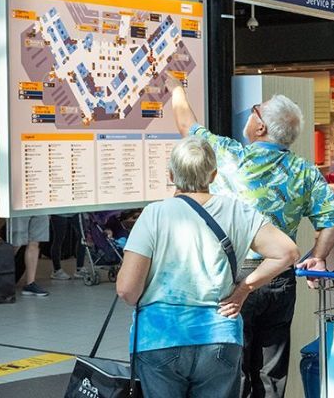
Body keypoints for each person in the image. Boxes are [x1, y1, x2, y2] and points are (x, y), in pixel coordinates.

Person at [169, 76, 334, 398]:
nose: (250, 115)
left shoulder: (229, 156)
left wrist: (175, 87)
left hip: (234, 277)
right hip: (279, 278)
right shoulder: (304, 171)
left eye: (255, 111)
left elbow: (186, 125)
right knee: (271, 371)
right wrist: (317, 255)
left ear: (261, 128)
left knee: (232, 367)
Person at [116, 137, 299, 398]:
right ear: (213, 174)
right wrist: (243, 289)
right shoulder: (238, 211)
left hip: (160, 339)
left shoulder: (153, 215)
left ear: (171, 174)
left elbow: (127, 290)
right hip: (219, 337)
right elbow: (287, 252)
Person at [0, 164, 50, 297]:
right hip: (19, 204)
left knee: (35, 243)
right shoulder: (12, 150)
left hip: (39, 202)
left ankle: (30, 283)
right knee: (16, 243)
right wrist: (8, 198)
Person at [49, 214, 85, 280]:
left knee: (83, 237)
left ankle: (80, 268)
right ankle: (57, 270)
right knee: (58, 239)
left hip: (75, 210)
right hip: (59, 211)